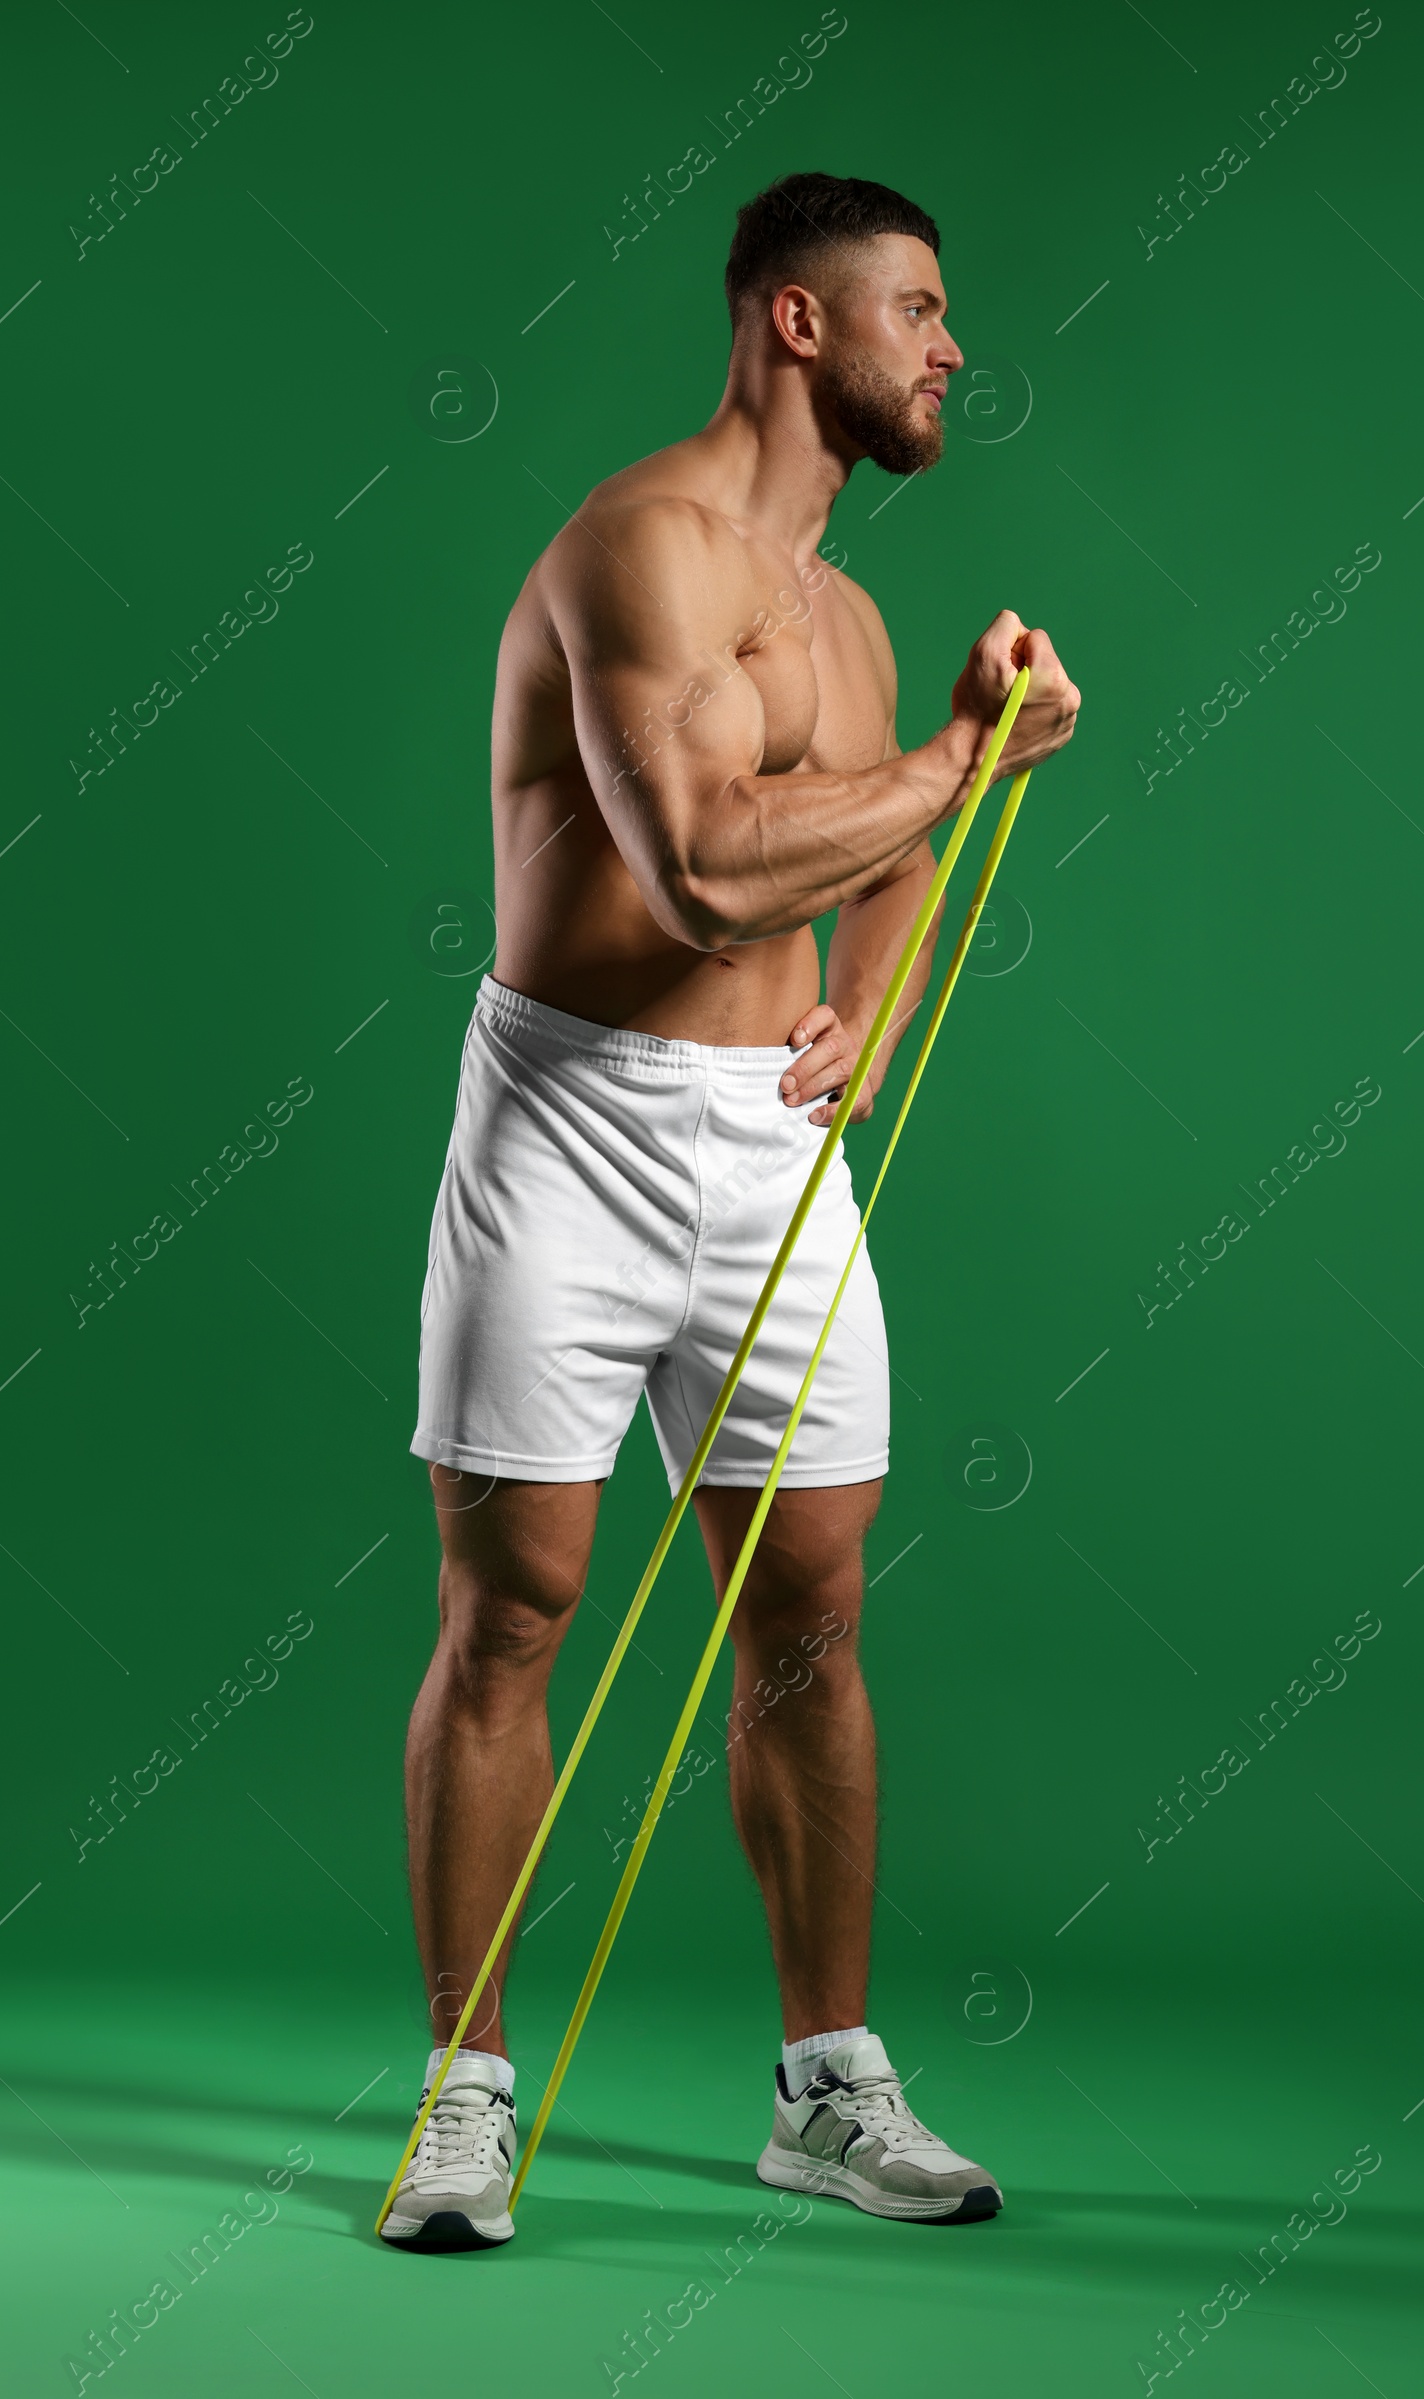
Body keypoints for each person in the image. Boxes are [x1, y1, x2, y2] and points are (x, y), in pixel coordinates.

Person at [382, 171, 1079, 2251]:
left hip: (769, 1148)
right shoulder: (641, 549)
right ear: (796, 323)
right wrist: (967, 754)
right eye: (917, 308)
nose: (949, 346)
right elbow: (696, 864)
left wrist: (865, 1006)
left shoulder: (853, 618)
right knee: (512, 1613)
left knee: (809, 1619)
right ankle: (464, 2096)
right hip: (567, 1126)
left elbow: (860, 857)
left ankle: (823, 2088)